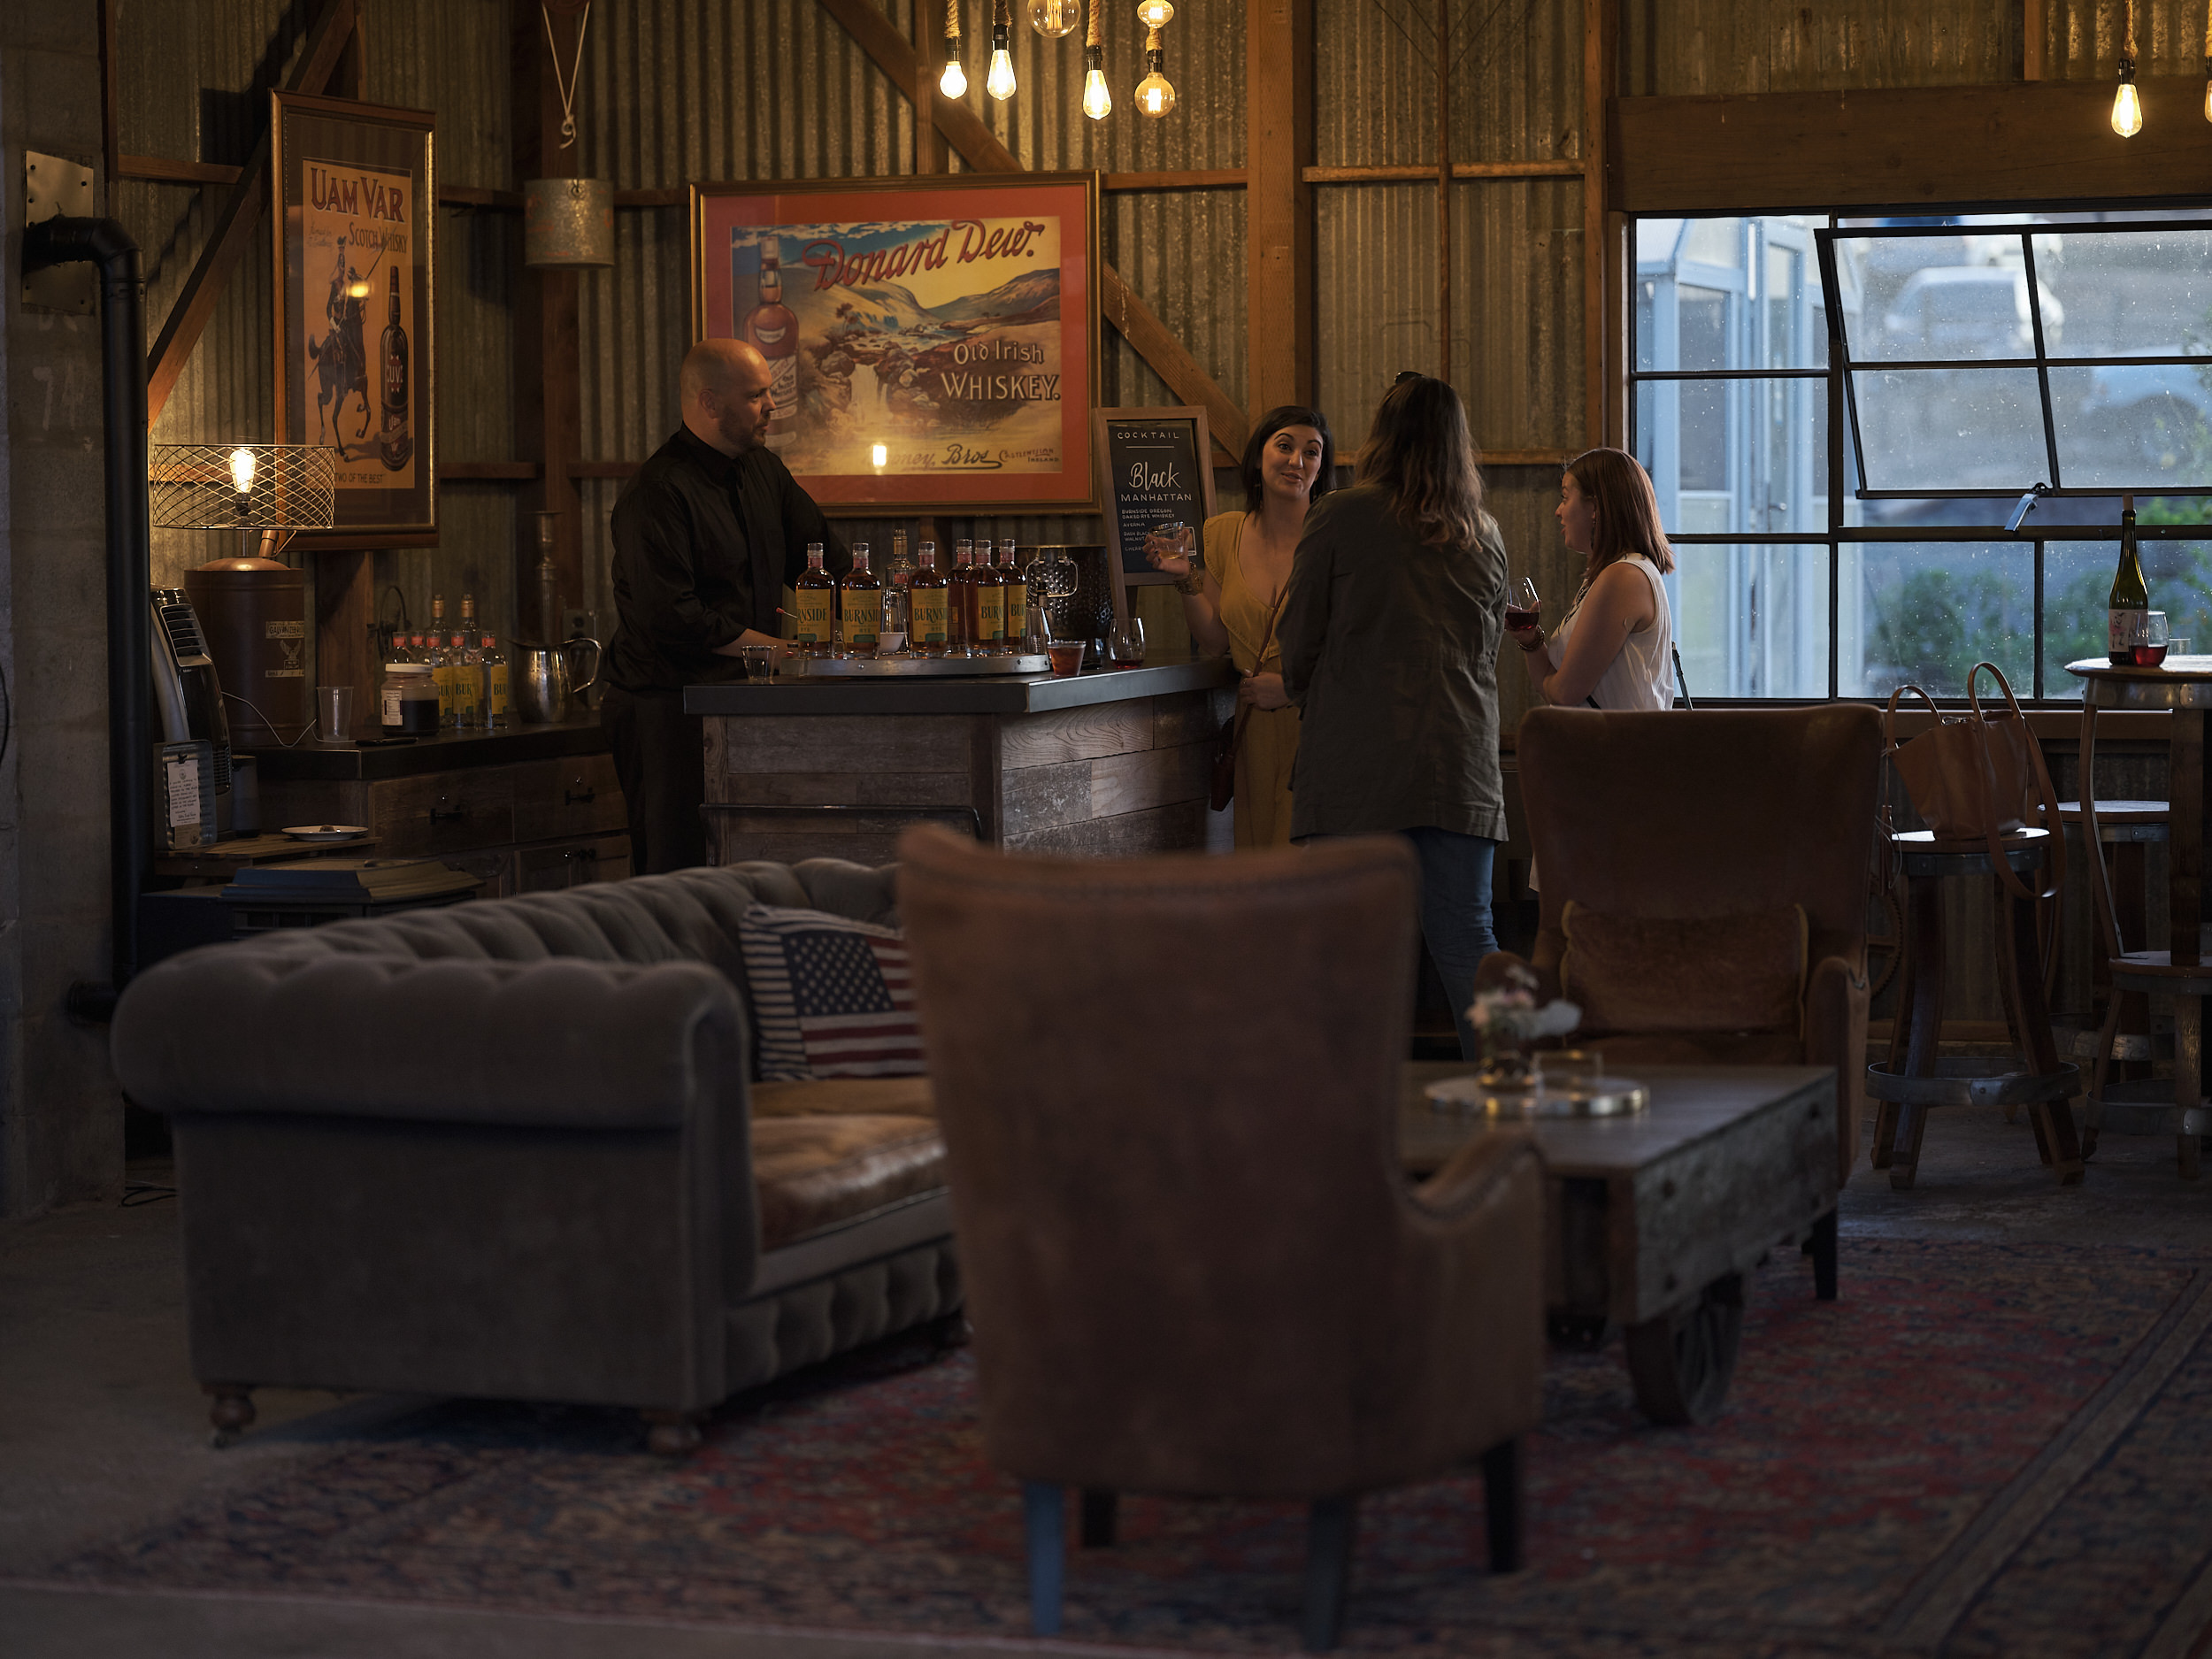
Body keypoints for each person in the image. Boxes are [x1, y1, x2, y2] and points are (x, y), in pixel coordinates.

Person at [1277, 374, 1509, 1060]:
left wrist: (1306, 693)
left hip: (1357, 765)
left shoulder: (1341, 515)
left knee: (1344, 950)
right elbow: (1488, 648)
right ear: (1456, 445)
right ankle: (1514, 1097)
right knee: (1471, 937)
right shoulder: (1486, 534)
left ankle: (1344, 1117)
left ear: (1384, 435)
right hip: (1460, 764)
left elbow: (1300, 641)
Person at [603, 338, 849, 873]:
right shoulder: (658, 492)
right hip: (669, 708)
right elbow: (675, 617)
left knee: (751, 863)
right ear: (710, 404)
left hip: (747, 702)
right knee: (680, 870)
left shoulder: (765, 471)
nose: (772, 407)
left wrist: (880, 624)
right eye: (757, 395)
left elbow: (829, 566)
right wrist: (782, 652)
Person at [1145, 407, 1334, 847]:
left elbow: (1360, 644)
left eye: (1312, 452)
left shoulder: (1334, 537)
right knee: (1261, 874)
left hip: (1319, 726)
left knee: (1305, 876)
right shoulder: (1224, 533)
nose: (1297, 461)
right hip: (1253, 731)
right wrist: (1184, 577)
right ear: (1258, 457)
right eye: (1284, 446)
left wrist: (1291, 688)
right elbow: (1214, 642)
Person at [1510, 447, 1677, 710]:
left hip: (1617, 748)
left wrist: (1555, 684)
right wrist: (1530, 639)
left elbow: (1563, 693)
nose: (1558, 511)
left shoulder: (1622, 577)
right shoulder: (1612, 574)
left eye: (1565, 498)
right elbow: (1554, 686)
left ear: (1596, 507)